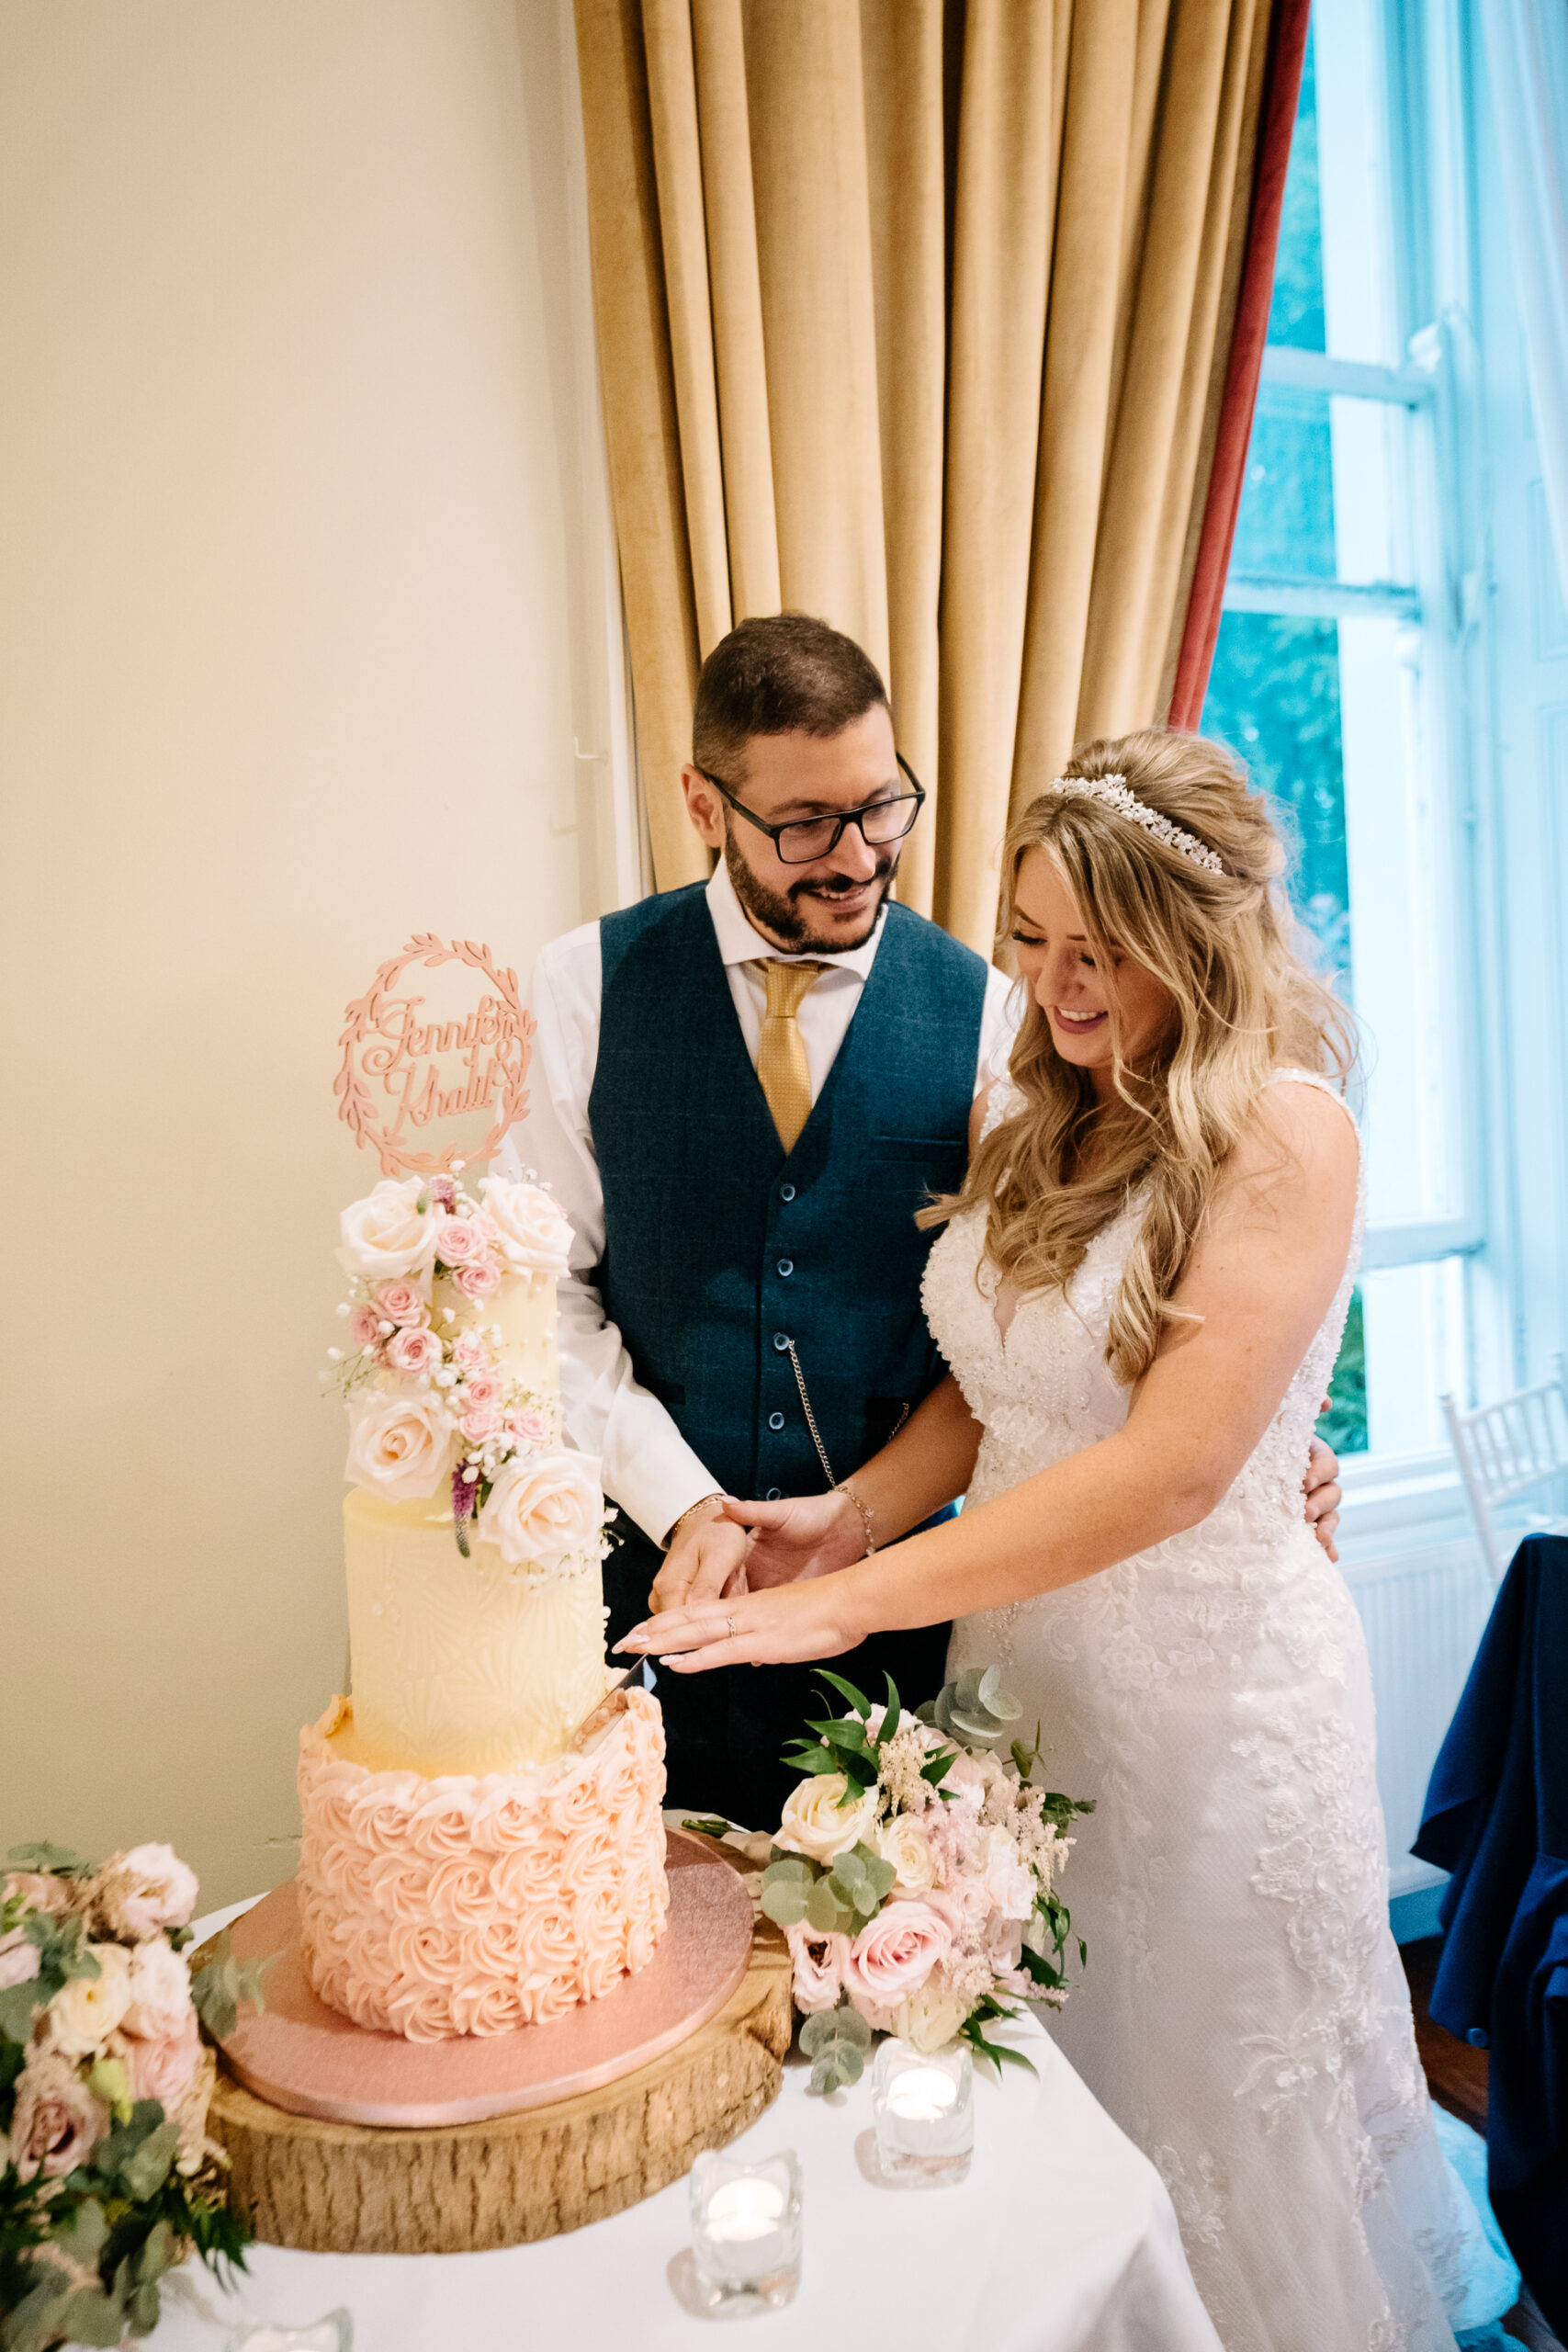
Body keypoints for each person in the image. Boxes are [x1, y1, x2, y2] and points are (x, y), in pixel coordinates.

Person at [622, 729, 1468, 2350]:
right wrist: (851, 1513)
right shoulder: (1050, 1099)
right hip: (1026, 1691)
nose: (1055, 989)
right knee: (1049, 2107)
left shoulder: (1286, 1134)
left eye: (1100, 951)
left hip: (1214, 1713)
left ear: (1196, 934)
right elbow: (999, 1392)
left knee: (1217, 2121)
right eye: (1031, 940)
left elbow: (1163, 1472)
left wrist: (857, 1600)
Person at [508, 610, 1342, 1831]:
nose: (854, 856)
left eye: (881, 807)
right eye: (802, 824)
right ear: (702, 804)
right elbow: (544, 1298)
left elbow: (1163, 1394)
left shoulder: (1004, 1018)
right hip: (643, 1609)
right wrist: (700, 1503)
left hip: (925, 1651)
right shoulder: (582, 987)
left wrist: (1269, 1447)